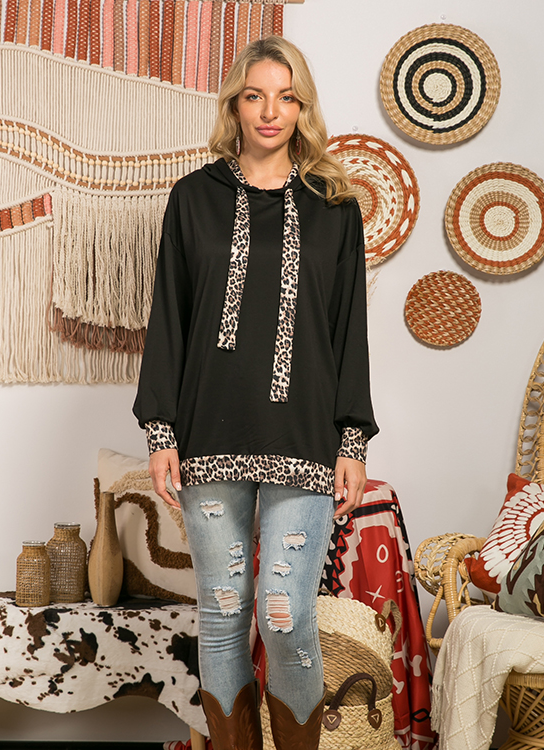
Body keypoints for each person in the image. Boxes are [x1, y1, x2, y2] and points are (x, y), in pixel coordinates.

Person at [133, 35, 378, 750]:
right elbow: (170, 317)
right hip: (209, 434)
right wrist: (161, 430)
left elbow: (348, 330)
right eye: (255, 96)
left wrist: (352, 439)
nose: (271, 111)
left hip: (304, 437)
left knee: (284, 614)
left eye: (286, 97)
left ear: (303, 109)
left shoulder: (335, 207)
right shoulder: (193, 199)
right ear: (235, 106)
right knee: (221, 613)